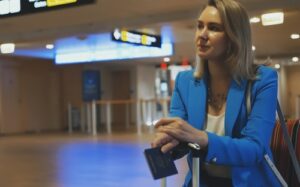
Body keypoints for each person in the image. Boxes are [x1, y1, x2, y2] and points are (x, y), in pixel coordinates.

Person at [151, 0, 280, 186]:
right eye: (199, 26)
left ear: (234, 36)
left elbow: (255, 149)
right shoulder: (185, 82)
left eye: (213, 28)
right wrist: (170, 141)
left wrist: (202, 138)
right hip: (201, 181)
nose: (202, 35)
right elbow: (185, 140)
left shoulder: (262, 80)